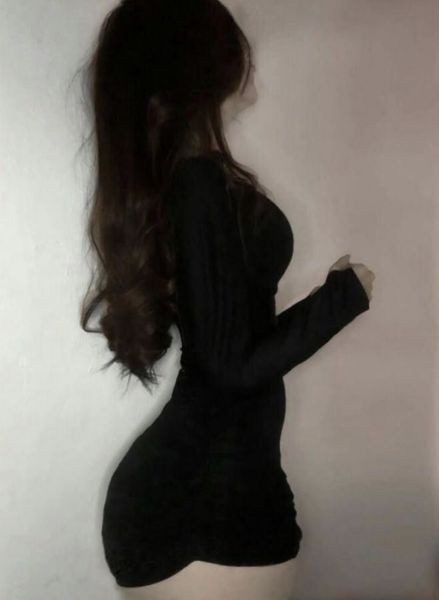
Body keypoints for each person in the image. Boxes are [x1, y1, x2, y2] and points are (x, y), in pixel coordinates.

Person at [78, 1, 375, 598]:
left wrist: (331, 296)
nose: (249, 58)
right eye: (236, 43)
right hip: (206, 507)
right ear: (201, 68)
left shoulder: (196, 180)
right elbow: (231, 365)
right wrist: (342, 299)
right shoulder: (199, 182)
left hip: (213, 492)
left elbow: (231, 347)